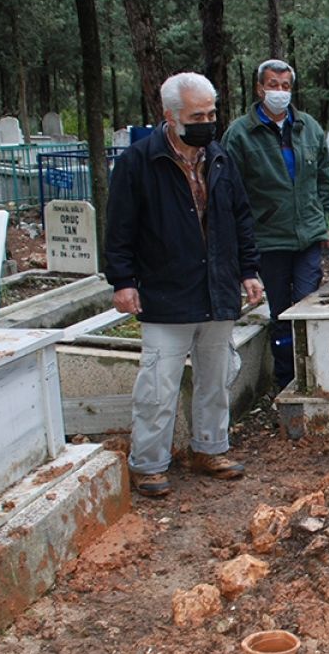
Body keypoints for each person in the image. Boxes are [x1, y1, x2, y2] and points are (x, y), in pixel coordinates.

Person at [105, 71, 264, 498]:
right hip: (165, 290)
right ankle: (148, 464)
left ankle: (210, 448)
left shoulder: (220, 158)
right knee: (158, 386)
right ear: (170, 115)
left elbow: (240, 219)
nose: (207, 122)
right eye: (198, 115)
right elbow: (119, 227)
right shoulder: (139, 162)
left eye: (212, 113)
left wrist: (248, 271)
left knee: (215, 378)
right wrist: (122, 281)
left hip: (217, 288)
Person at [223, 59, 329, 393]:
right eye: (273, 85)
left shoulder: (308, 127)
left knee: (306, 305)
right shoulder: (240, 134)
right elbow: (233, 191)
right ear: (260, 88)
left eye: (285, 86)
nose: (279, 92)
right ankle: (286, 380)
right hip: (268, 237)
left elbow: (323, 179)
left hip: (307, 235)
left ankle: (312, 375)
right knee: (282, 313)